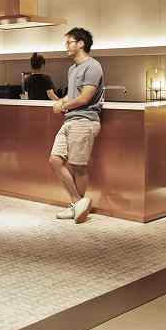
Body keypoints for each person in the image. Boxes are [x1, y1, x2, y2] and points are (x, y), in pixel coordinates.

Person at [48, 27, 104, 224]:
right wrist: (61, 101)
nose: (66, 46)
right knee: (55, 160)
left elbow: (85, 98)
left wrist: (63, 105)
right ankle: (78, 202)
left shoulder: (93, 67)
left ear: (81, 43)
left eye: (69, 42)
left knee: (78, 166)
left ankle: (76, 207)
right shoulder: (72, 69)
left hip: (85, 120)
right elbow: (72, 96)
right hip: (70, 120)